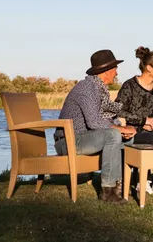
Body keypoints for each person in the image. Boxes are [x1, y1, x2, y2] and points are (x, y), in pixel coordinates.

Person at [53, 49, 137, 204]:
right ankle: (107, 191)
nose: (116, 73)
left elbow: (103, 119)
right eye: (115, 70)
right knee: (113, 135)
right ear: (107, 71)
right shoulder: (86, 88)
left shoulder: (99, 89)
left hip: (86, 138)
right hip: (69, 141)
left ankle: (120, 186)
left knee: (128, 140)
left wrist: (123, 129)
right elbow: (94, 122)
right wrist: (120, 129)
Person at [115, 46, 153, 144]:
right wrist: (144, 121)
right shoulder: (129, 86)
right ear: (149, 68)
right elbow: (118, 111)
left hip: (150, 135)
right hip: (130, 135)